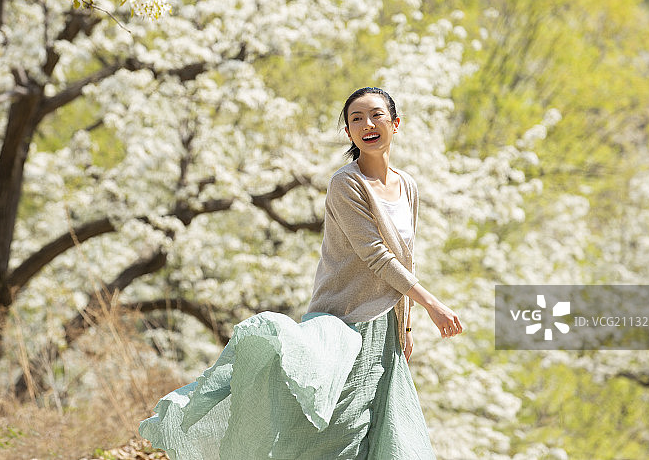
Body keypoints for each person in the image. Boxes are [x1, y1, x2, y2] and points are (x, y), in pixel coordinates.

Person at [139, 87, 464, 459]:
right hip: (346, 322)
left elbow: (406, 257)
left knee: (381, 429)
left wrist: (404, 325)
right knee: (340, 431)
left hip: (386, 327)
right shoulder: (346, 184)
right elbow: (376, 255)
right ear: (348, 133)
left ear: (396, 123)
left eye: (376, 115)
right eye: (356, 119)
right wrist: (432, 305)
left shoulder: (408, 186)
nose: (367, 125)